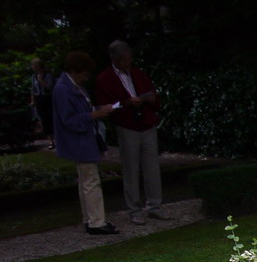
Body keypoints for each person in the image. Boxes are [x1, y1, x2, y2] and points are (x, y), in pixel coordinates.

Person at [95, 40, 169, 226]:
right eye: (123, 60)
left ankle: (154, 206)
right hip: (127, 126)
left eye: (129, 59)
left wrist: (148, 99)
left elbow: (153, 95)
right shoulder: (105, 79)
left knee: (152, 166)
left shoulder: (138, 74)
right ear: (114, 59)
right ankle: (134, 209)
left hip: (147, 124)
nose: (127, 63)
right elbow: (106, 106)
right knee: (131, 169)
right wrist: (126, 103)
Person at [52, 51, 118, 236]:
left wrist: (98, 110)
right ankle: (97, 222)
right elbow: (69, 120)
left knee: (86, 181)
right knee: (91, 181)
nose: (86, 77)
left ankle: (91, 219)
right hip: (79, 140)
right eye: (84, 73)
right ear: (74, 71)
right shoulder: (64, 89)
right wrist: (93, 115)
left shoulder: (74, 86)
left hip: (84, 138)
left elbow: (83, 110)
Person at [29, 58, 55, 149]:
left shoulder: (48, 75)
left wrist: (41, 81)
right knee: (43, 120)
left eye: (33, 65)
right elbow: (33, 89)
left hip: (48, 98)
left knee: (51, 118)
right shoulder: (33, 76)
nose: (32, 67)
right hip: (39, 99)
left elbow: (50, 87)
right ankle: (50, 141)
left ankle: (57, 138)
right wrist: (33, 100)